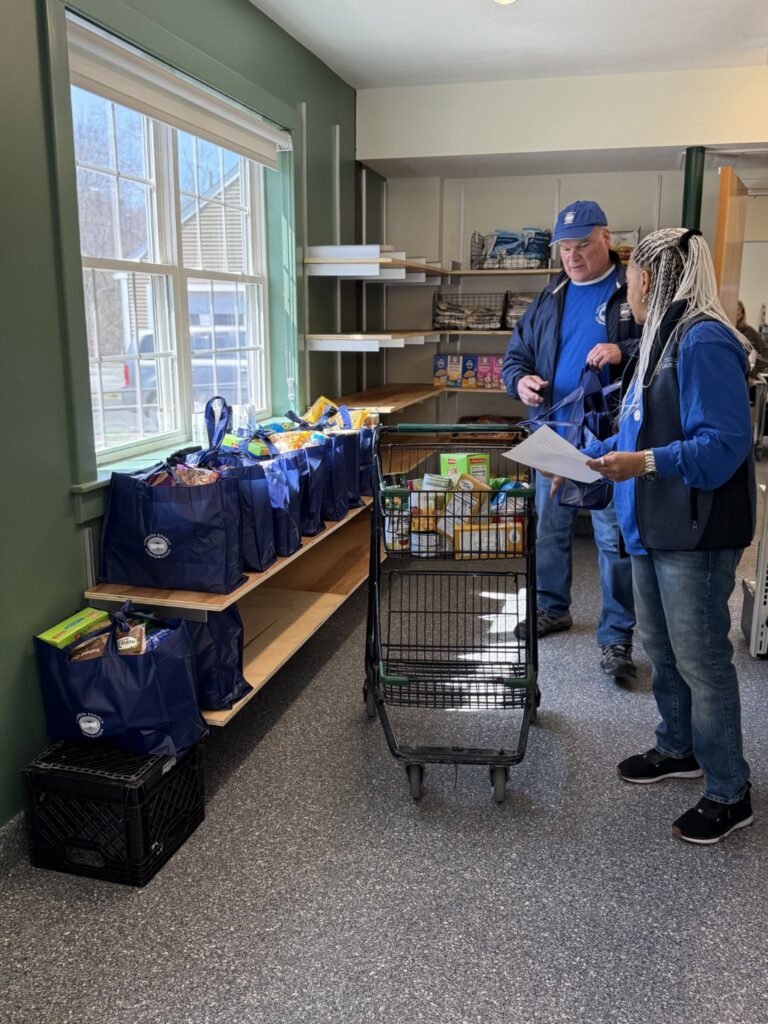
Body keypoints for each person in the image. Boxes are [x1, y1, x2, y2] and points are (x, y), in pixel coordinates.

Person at [579, 227, 756, 844]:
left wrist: (647, 464)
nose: (624, 288)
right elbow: (634, 431)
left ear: (649, 280)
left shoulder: (704, 339)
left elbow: (724, 446)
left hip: (695, 533)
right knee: (662, 648)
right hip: (654, 526)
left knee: (702, 660)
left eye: (628, 278)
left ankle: (730, 790)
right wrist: (582, 457)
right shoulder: (659, 338)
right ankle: (677, 748)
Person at [501, 200, 641, 680]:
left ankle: (617, 636)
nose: (573, 255)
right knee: (549, 528)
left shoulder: (632, 290)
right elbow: (514, 357)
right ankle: (552, 607)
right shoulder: (550, 294)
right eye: (565, 246)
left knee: (611, 538)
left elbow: (661, 348)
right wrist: (519, 382)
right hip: (552, 434)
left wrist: (621, 349)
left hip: (609, 436)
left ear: (606, 237)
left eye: (583, 244)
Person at [737, 299, 768, 372]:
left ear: (742, 313)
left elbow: (766, 352)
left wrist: (754, 373)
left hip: (742, 374)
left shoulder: (749, 331)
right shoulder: (724, 330)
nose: (735, 312)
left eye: (738, 309)